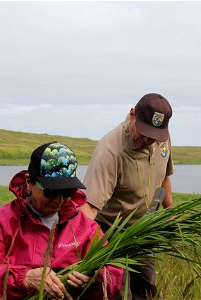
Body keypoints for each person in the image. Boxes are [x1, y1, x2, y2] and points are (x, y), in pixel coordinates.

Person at [0, 142, 123, 300]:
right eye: (51, 192)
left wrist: (95, 280)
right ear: (29, 182)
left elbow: (113, 272)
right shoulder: (3, 221)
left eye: (68, 192)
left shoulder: (85, 227)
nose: (59, 200)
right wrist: (24, 278)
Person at [80, 93, 174, 299]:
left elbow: (164, 178)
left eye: (154, 136)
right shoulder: (110, 151)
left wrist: (171, 213)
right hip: (110, 232)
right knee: (118, 292)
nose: (148, 140)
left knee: (146, 288)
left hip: (144, 228)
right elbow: (89, 208)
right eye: (143, 132)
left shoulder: (161, 139)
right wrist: (76, 250)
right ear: (132, 114)